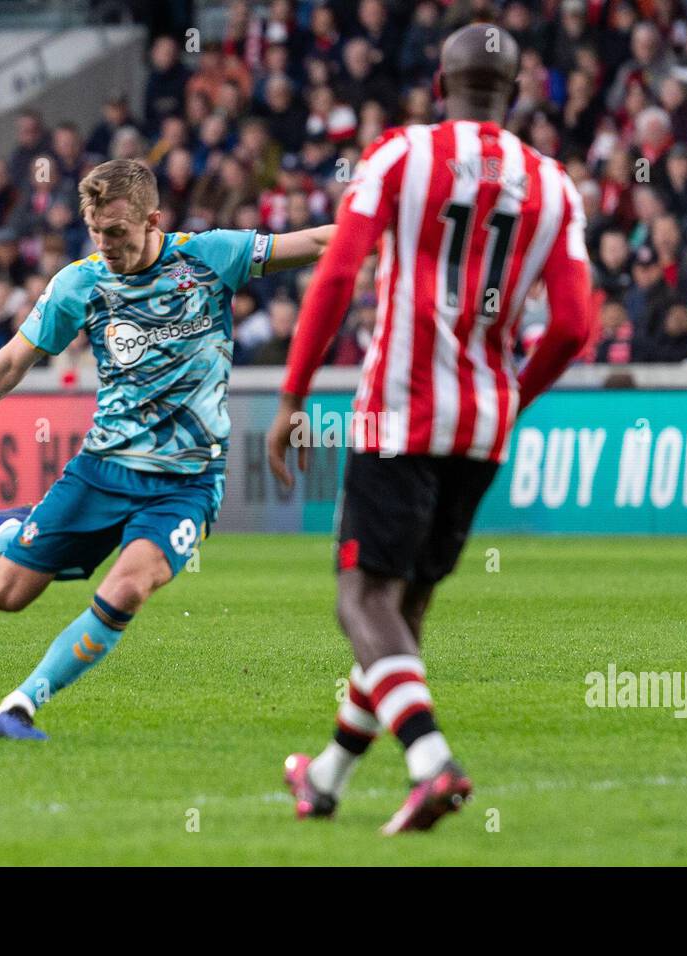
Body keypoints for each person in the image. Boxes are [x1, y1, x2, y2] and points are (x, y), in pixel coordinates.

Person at [265, 24, 594, 834]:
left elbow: (338, 273)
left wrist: (292, 397)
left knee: (360, 599)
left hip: (398, 409)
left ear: (438, 83)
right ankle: (329, 777)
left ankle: (430, 762)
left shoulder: (399, 156)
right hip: (482, 423)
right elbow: (576, 325)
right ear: (516, 95)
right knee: (403, 610)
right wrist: (514, 393)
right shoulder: (553, 184)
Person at [0, 158, 334, 741]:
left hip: (187, 482)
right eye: (96, 232)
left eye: (118, 233)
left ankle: (18, 708)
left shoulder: (210, 256)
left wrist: (391, 226)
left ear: (154, 220)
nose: (106, 245)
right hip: (103, 469)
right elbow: (12, 362)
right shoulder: (81, 282)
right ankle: (6, 531)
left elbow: (324, 238)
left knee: (127, 587)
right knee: (2, 595)